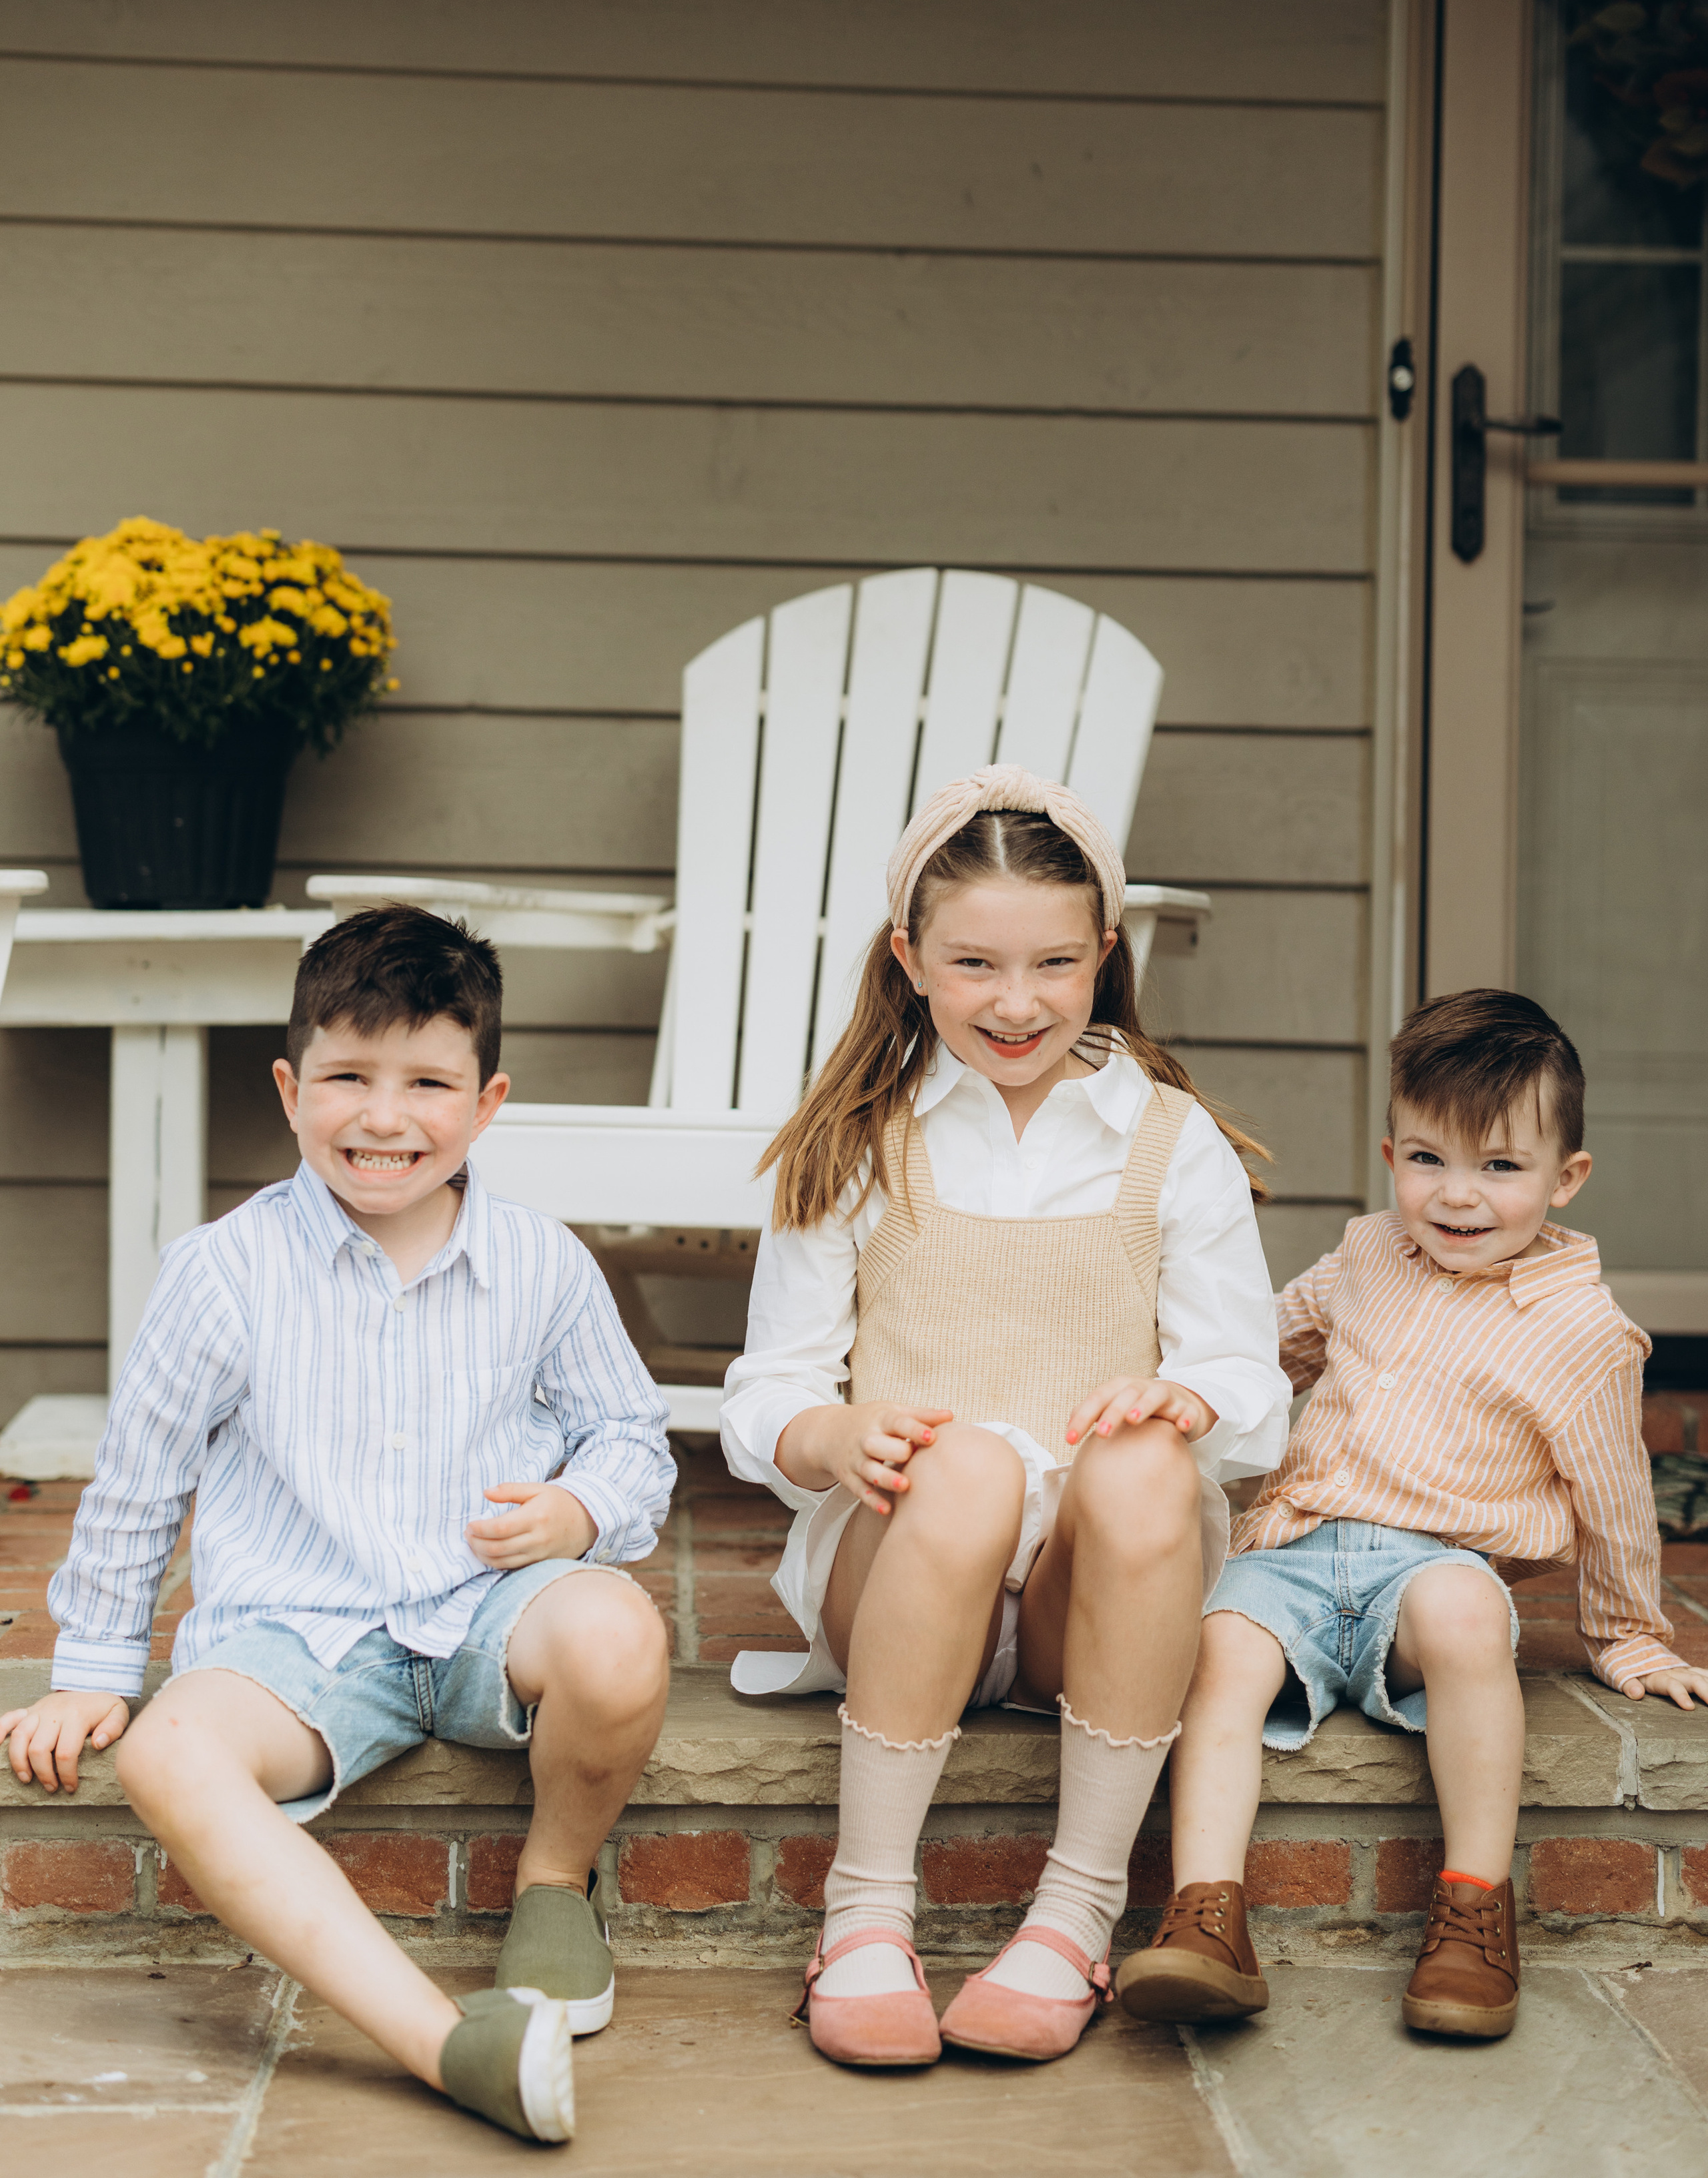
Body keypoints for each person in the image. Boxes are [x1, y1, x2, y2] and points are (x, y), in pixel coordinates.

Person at [0, 904, 675, 2145]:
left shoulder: (542, 1263)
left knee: (622, 1632)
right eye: (347, 1077)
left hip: (489, 1614)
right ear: (289, 1087)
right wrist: (92, 1669)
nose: (383, 1116)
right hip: (297, 1643)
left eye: (428, 1082)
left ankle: (552, 1886)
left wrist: (583, 1506)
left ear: (487, 1101)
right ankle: (444, 2045)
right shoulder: (222, 1271)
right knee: (163, 1754)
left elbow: (630, 1435)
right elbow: (140, 1478)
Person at [720, 764, 1291, 2068]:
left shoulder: (1167, 1138)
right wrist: (826, 1438)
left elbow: (1250, 1390)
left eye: (1051, 964)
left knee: (1149, 1462)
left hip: (1082, 1614)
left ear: (1103, 953)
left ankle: (1072, 1916)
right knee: (965, 1466)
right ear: (908, 958)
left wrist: (1186, 1396)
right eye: (973, 963)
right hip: (904, 1571)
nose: (1016, 1003)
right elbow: (769, 1387)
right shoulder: (856, 1138)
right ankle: (863, 1911)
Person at [1119, 987, 1708, 2045]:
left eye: (1500, 1166)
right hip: (1294, 1552)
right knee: (1218, 1654)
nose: (1458, 1196)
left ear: (1565, 1178)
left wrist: (1630, 1637)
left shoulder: (1584, 1331)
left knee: (1469, 1620)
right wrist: (1183, 1396)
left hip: (1433, 1568)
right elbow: (1259, 1356)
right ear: (1392, 1153)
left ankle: (1473, 1911)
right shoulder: (1363, 1255)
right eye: (1429, 1159)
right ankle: (1207, 1914)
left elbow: (1616, 1496)